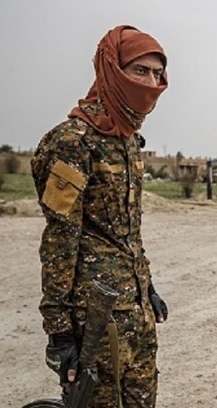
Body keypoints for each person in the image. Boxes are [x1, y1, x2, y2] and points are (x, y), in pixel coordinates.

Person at [31, 25, 169, 408]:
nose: (151, 83)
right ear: (112, 69)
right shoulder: (72, 142)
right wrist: (59, 331)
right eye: (140, 71)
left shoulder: (128, 141)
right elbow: (60, 239)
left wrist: (147, 287)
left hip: (136, 313)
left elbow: (128, 232)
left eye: (157, 74)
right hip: (95, 321)